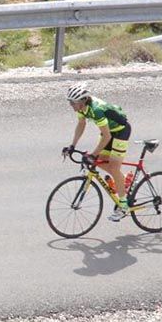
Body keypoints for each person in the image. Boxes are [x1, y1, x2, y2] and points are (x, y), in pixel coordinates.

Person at [62, 82, 132, 221]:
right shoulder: (82, 108)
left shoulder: (96, 110)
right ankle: (123, 181)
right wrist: (72, 145)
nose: (72, 106)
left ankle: (124, 206)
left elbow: (107, 136)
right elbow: (81, 124)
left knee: (113, 166)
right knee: (98, 162)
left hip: (121, 131)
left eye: (73, 103)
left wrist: (93, 155)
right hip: (109, 132)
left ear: (83, 100)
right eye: (70, 103)